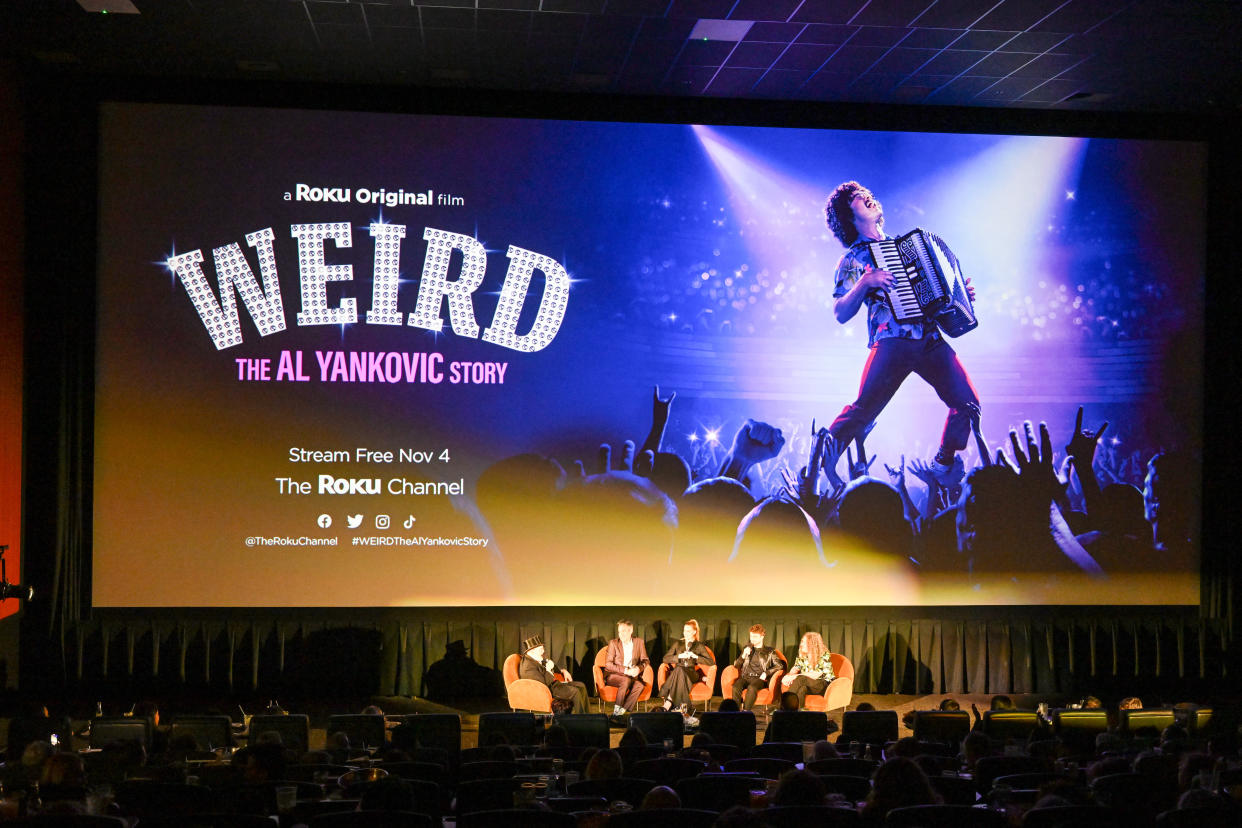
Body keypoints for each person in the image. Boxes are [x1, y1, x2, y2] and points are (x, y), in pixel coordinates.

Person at [821, 181, 978, 481]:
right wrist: (865, 283)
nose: (867, 195)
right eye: (856, 197)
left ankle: (943, 463)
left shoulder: (905, 247)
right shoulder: (854, 259)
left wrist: (957, 294)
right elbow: (840, 312)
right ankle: (818, 463)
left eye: (866, 192)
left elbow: (934, 293)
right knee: (863, 410)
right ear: (847, 216)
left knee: (968, 404)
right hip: (893, 341)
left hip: (930, 338)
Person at [660, 619, 714, 725]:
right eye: (684, 630)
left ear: (694, 632)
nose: (685, 633)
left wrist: (696, 657)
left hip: (691, 673)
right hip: (679, 673)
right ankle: (684, 710)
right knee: (679, 670)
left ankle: (668, 702)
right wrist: (679, 656)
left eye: (688, 631)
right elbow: (665, 659)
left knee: (678, 670)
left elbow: (711, 662)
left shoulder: (698, 645)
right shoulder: (678, 643)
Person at [518, 634, 589, 714]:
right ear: (532, 651)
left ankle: (587, 714)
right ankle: (582, 717)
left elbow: (552, 667)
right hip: (548, 689)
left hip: (554, 684)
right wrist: (549, 671)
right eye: (541, 649)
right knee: (575, 691)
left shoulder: (536, 658)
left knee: (581, 685)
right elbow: (540, 685)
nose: (543, 651)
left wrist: (563, 671)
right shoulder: (528, 666)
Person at [729, 624, 786, 710]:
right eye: (751, 636)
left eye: (755, 637)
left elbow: (779, 665)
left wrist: (766, 673)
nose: (752, 639)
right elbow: (737, 665)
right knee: (735, 687)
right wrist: (743, 655)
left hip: (759, 678)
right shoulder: (747, 648)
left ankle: (746, 712)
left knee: (751, 688)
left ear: (762, 636)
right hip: (746, 676)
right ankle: (735, 713)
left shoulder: (769, 651)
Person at [603, 619, 651, 717]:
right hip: (614, 675)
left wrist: (638, 669)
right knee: (625, 680)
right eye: (620, 631)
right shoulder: (613, 643)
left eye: (624, 631)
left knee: (640, 685)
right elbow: (608, 664)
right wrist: (626, 670)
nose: (621, 634)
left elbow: (646, 660)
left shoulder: (639, 642)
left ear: (631, 631)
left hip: (632, 676)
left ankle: (621, 712)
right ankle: (616, 712)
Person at [781, 631, 835, 708]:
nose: (801, 644)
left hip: (823, 685)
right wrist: (788, 676)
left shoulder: (823, 654)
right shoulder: (802, 655)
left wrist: (795, 676)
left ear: (812, 644)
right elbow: (795, 668)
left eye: (804, 642)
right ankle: (799, 712)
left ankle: (783, 707)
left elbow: (816, 674)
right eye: (801, 641)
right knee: (802, 689)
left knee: (801, 679)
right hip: (809, 684)